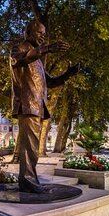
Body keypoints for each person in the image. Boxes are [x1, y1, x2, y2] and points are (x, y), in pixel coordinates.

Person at [10, 20, 79, 193]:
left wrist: (67, 75)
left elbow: (50, 81)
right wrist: (47, 48)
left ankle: (30, 180)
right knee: (29, 147)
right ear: (29, 33)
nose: (43, 37)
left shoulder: (38, 61)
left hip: (37, 107)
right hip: (27, 105)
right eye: (40, 33)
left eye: (44, 34)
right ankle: (28, 181)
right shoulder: (18, 50)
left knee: (32, 147)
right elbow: (21, 60)